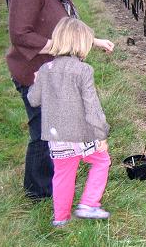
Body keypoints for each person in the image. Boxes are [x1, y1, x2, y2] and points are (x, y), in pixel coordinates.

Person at [6, 0, 114, 200]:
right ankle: (38, 193)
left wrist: (92, 40)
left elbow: (66, 24)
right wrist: (58, 46)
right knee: (44, 131)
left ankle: (51, 180)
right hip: (34, 72)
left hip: (52, 70)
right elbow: (20, 34)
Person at [27, 17, 111, 227]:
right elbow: (92, 108)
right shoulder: (83, 71)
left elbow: (33, 100)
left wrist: (36, 81)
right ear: (81, 44)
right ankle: (89, 203)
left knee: (63, 175)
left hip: (57, 137)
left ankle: (60, 218)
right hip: (81, 134)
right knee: (101, 161)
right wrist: (101, 135)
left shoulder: (45, 70)